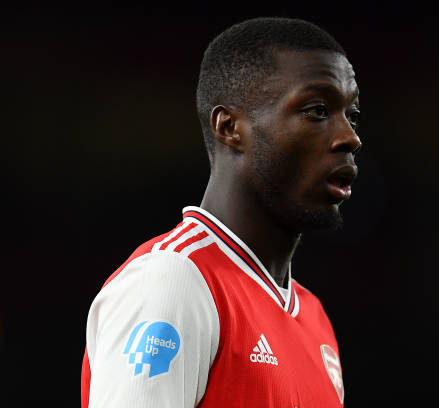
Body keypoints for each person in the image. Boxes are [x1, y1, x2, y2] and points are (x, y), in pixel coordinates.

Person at [81, 17, 362, 408]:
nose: (350, 136)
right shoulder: (173, 280)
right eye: (317, 110)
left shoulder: (315, 320)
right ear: (230, 127)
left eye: (352, 114)